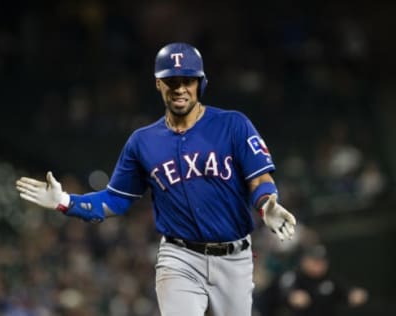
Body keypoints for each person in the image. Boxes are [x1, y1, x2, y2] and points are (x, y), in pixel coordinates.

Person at [16, 42, 297, 316]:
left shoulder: (233, 124)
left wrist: (266, 205)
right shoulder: (142, 142)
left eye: (187, 80)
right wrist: (65, 201)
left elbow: (259, 179)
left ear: (201, 83)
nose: (179, 89)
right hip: (180, 258)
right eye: (171, 81)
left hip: (235, 257)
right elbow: (115, 200)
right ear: (158, 84)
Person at [258, 244, 368, 316]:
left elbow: (346, 291)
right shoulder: (292, 276)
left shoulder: (330, 278)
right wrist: (291, 296)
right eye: (315, 261)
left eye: (322, 262)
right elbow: (285, 292)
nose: (319, 265)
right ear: (304, 261)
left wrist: (353, 294)